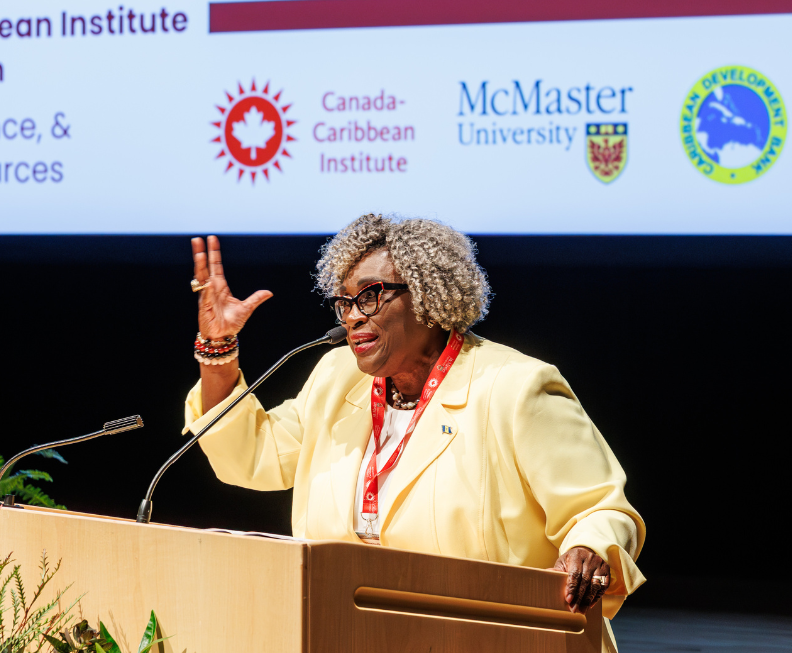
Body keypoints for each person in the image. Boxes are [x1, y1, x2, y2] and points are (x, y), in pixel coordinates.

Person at [182, 214, 645, 653]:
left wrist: (589, 547)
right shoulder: (337, 378)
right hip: (346, 630)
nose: (353, 317)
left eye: (371, 295)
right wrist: (218, 349)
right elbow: (253, 454)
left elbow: (600, 508)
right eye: (345, 302)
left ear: (428, 296)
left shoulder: (513, 388)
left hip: (493, 637)